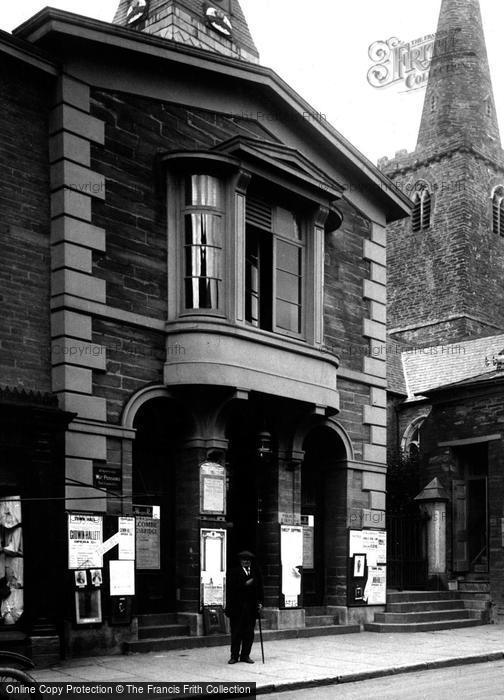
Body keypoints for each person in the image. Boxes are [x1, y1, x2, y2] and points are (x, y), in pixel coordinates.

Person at [225, 550, 263, 664]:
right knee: (236, 633)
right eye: (244, 560)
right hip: (237, 608)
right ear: (240, 561)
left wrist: (260, 602)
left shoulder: (256, 572)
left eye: (248, 560)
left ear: (251, 561)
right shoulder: (233, 572)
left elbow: (260, 589)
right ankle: (234, 656)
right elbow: (231, 589)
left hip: (251, 609)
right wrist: (246, 584)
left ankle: (245, 655)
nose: (246, 562)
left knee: (249, 633)